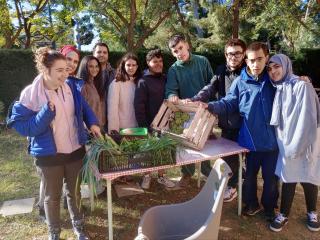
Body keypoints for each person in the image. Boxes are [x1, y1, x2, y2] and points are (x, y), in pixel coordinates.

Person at [7, 47, 101, 240]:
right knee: (52, 196)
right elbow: (24, 127)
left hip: (74, 149)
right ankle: (54, 232)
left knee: (74, 193)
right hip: (48, 154)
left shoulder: (71, 87)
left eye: (66, 69)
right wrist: (45, 114)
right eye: (59, 70)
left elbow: (83, 108)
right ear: (45, 70)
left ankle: (79, 227)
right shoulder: (30, 94)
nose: (65, 73)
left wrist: (92, 123)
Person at [204, 42, 279, 219]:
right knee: (249, 177)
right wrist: (209, 106)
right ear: (246, 60)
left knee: (271, 179)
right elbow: (229, 102)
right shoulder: (240, 82)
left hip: (273, 142)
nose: (256, 64)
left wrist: (303, 79)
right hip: (250, 141)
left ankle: (269, 208)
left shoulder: (274, 79)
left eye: (260, 59)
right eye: (252, 60)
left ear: (266, 58)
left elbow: (290, 83)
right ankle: (251, 204)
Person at [187, 38, 246, 202]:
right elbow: (210, 87)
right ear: (225, 55)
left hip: (243, 123)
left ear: (243, 54)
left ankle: (234, 186)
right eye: (229, 54)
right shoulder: (221, 70)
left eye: (237, 54)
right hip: (226, 122)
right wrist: (196, 99)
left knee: (237, 157)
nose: (233, 57)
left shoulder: (248, 72)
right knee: (228, 156)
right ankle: (233, 182)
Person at [267, 54, 320, 232]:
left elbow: (309, 119)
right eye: (270, 68)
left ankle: (312, 212)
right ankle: (283, 214)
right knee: (288, 176)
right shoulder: (280, 86)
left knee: (308, 175)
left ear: (286, 66)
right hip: (287, 140)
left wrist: (297, 145)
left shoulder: (301, 85)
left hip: (305, 140)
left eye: (276, 66)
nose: (273, 71)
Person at [165, 33, 214, 187]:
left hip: (204, 111)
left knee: (203, 143)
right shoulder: (173, 69)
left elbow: (212, 84)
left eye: (180, 48)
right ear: (172, 53)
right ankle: (187, 174)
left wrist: (211, 105)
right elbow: (171, 91)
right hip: (185, 113)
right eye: (175, 51)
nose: (179, 53)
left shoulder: (202, 61)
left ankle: (208, 172)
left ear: (186, 44)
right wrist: (173, 96)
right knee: (185, 144)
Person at [134, 49, 175, 189]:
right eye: (155, 61)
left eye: (160, 61)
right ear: (148, 63)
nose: (158, 64)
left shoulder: (165, 78)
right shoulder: (143, 82)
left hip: (165, 123)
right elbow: (138, 106)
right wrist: (145, 128)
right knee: (148, 151)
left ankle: (162, 177)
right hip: (149, 124)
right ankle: (146, 176)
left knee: (163, 150)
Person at [108, 52, 141, 133]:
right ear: (123, 66)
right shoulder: (116, 83)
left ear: (137, 67)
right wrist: (114, 131)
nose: (131, 68)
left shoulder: (138, 82)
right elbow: (112, 110)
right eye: (128, 65)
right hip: (122, 129)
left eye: (134, 65)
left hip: (137, 127)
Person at [77, 55, 106, 128]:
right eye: (91, 66)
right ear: (84, 67)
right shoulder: (82, 86)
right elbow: (80, 112)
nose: (95, 69)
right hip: (89, 130)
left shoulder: (96, 83)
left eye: (96, 66)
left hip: (99, 129)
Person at [93, 42, 116, 130]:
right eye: (99, 52)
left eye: (104, 52)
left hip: (110, 120)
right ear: (94, 54)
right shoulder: (87, 74)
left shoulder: (115, 74)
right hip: (92, 122)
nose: (101, 54)